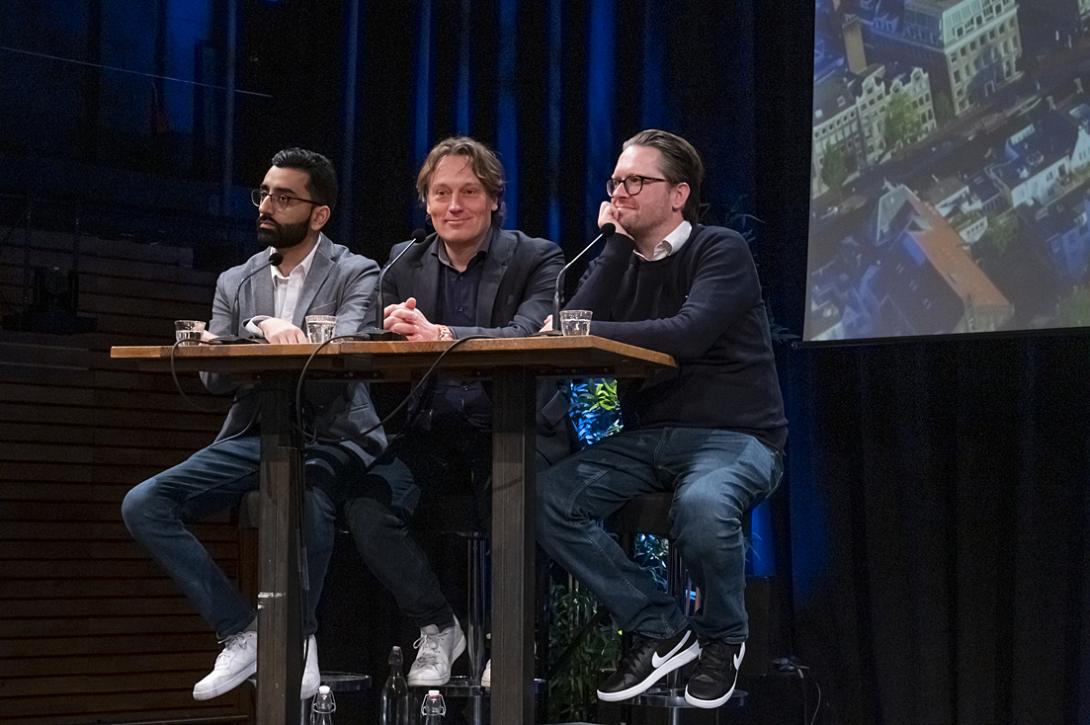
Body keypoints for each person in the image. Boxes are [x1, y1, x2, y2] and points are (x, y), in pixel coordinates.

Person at [121, 147, 385, 701]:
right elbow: (215, 380)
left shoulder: (357, 271)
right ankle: (243, 631)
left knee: (305, 489)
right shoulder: (236, 280)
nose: (267, 205)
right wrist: (260, 329)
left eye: (284, 197)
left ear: (319, 214)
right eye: (263, 193)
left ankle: (301, 637)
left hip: (335, 433)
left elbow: (343, 350)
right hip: (255, 432)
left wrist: (257, 336)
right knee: (145, 504)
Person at [536, 129, 787, 709]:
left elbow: (687, 334)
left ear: (678, 195)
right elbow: (573, 332)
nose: (620, 193)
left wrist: (585, 329)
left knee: (702, 507)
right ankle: (660, 626)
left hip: (736, 435)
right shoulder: (622, 261)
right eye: (615, 182)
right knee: (545, 497)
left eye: (636, 182)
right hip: (648, 440)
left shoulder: (720, 248)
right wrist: (615, 248)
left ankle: (724, 639)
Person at [343, 136, 564, 687]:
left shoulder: (538, 257)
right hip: (433, 434)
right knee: (366, 504)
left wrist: (439, 335)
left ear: (494, 200)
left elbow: (521, 336)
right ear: (426, 202)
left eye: (469, 191)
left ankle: (513, 639)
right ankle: (439, 626)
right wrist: (390, 333)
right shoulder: (403, 261)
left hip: (512, 428)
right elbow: (379, 346)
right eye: (440, 193)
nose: (453, 205)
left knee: (512, 503)